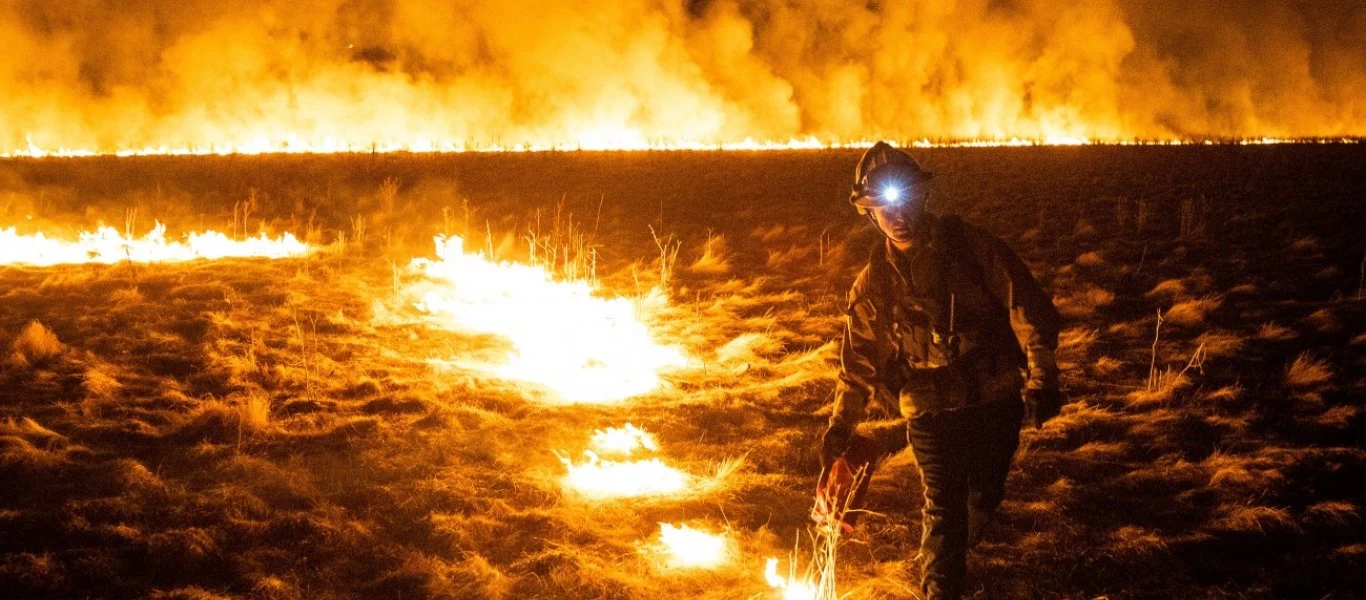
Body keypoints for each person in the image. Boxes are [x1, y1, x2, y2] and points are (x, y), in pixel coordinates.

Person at [819, 141, 1063, 599]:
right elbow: (858, 365)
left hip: (995, 399)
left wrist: (1043, 380)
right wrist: (839, 429)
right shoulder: (873, 284)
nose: (897, 214)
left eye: (905, 198)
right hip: (928, 410)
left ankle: (949, 552)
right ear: (869, 214)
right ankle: (940, 586)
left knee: (982, 499)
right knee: (944, 509)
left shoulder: (973, 250)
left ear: (923, 197)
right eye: (883, 207)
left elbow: (1026, 308)